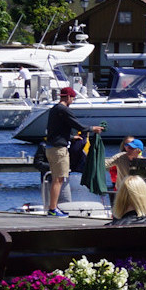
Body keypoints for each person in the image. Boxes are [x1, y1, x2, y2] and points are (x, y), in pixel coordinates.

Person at [42, 87, 91, 216]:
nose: (72, 101)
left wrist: (71, 137)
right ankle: (53, 209)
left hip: (51, 148)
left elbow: (55, 130)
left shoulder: (54, 109)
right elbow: (77, 124)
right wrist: (92, 128)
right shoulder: (64, 110)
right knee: (59, 179)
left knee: (56, 179)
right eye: (73, 98)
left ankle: (54, 207)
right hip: (59, 150)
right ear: (69, 97)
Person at [107, 138, 146, 221]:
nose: (128, 149)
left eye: (132, 148)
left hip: (137, 191)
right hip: (122, 190)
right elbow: (107, 163)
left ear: (138, 151)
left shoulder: (143, 161)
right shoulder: (120, 157)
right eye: (128, 147)